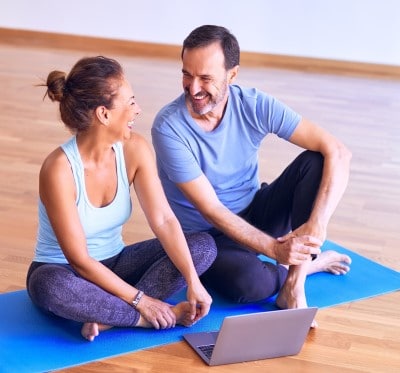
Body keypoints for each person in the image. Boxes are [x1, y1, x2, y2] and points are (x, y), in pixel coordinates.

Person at [151, 25, 352, 323]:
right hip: (208, 237)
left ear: (232, 75)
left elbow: (338, 151)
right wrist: (274, 249)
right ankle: (309, 265)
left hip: (256, 210)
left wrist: (317, 224)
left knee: (317, 160)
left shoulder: (254, 105)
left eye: (205, 78)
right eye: (186, 74)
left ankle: (294, 286)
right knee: (250, 284)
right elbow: (212, 210)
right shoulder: (168, 128)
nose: (193, 88)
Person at [26, 56, 217, 342]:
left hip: (117, 263)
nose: (138, 110)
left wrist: (193, 280)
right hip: (65, 271)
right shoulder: (59, 169)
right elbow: (79, 260)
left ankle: (106, 319)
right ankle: (142, 318)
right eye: (130, 103)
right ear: (104, 114)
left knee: (202, 246)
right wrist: (142, 302)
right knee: (50, 287)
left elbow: (164, 220)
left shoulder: (135, 149)